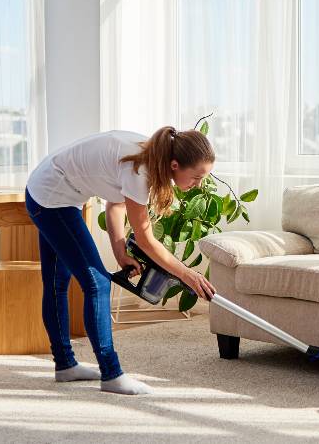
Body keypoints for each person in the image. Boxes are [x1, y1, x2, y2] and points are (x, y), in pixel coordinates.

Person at [25, 126, 217, 395]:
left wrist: (119, 250)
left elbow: (115, 203)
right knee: (97, 284)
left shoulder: (150, 155)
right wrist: (188, 275)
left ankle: (65, 365)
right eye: (197, 177)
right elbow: (147, 240)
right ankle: (111, 374)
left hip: (51, 192)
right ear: (175, 165)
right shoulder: (142, 169)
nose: (199, 184)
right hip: (52, 198)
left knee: (58, 282)